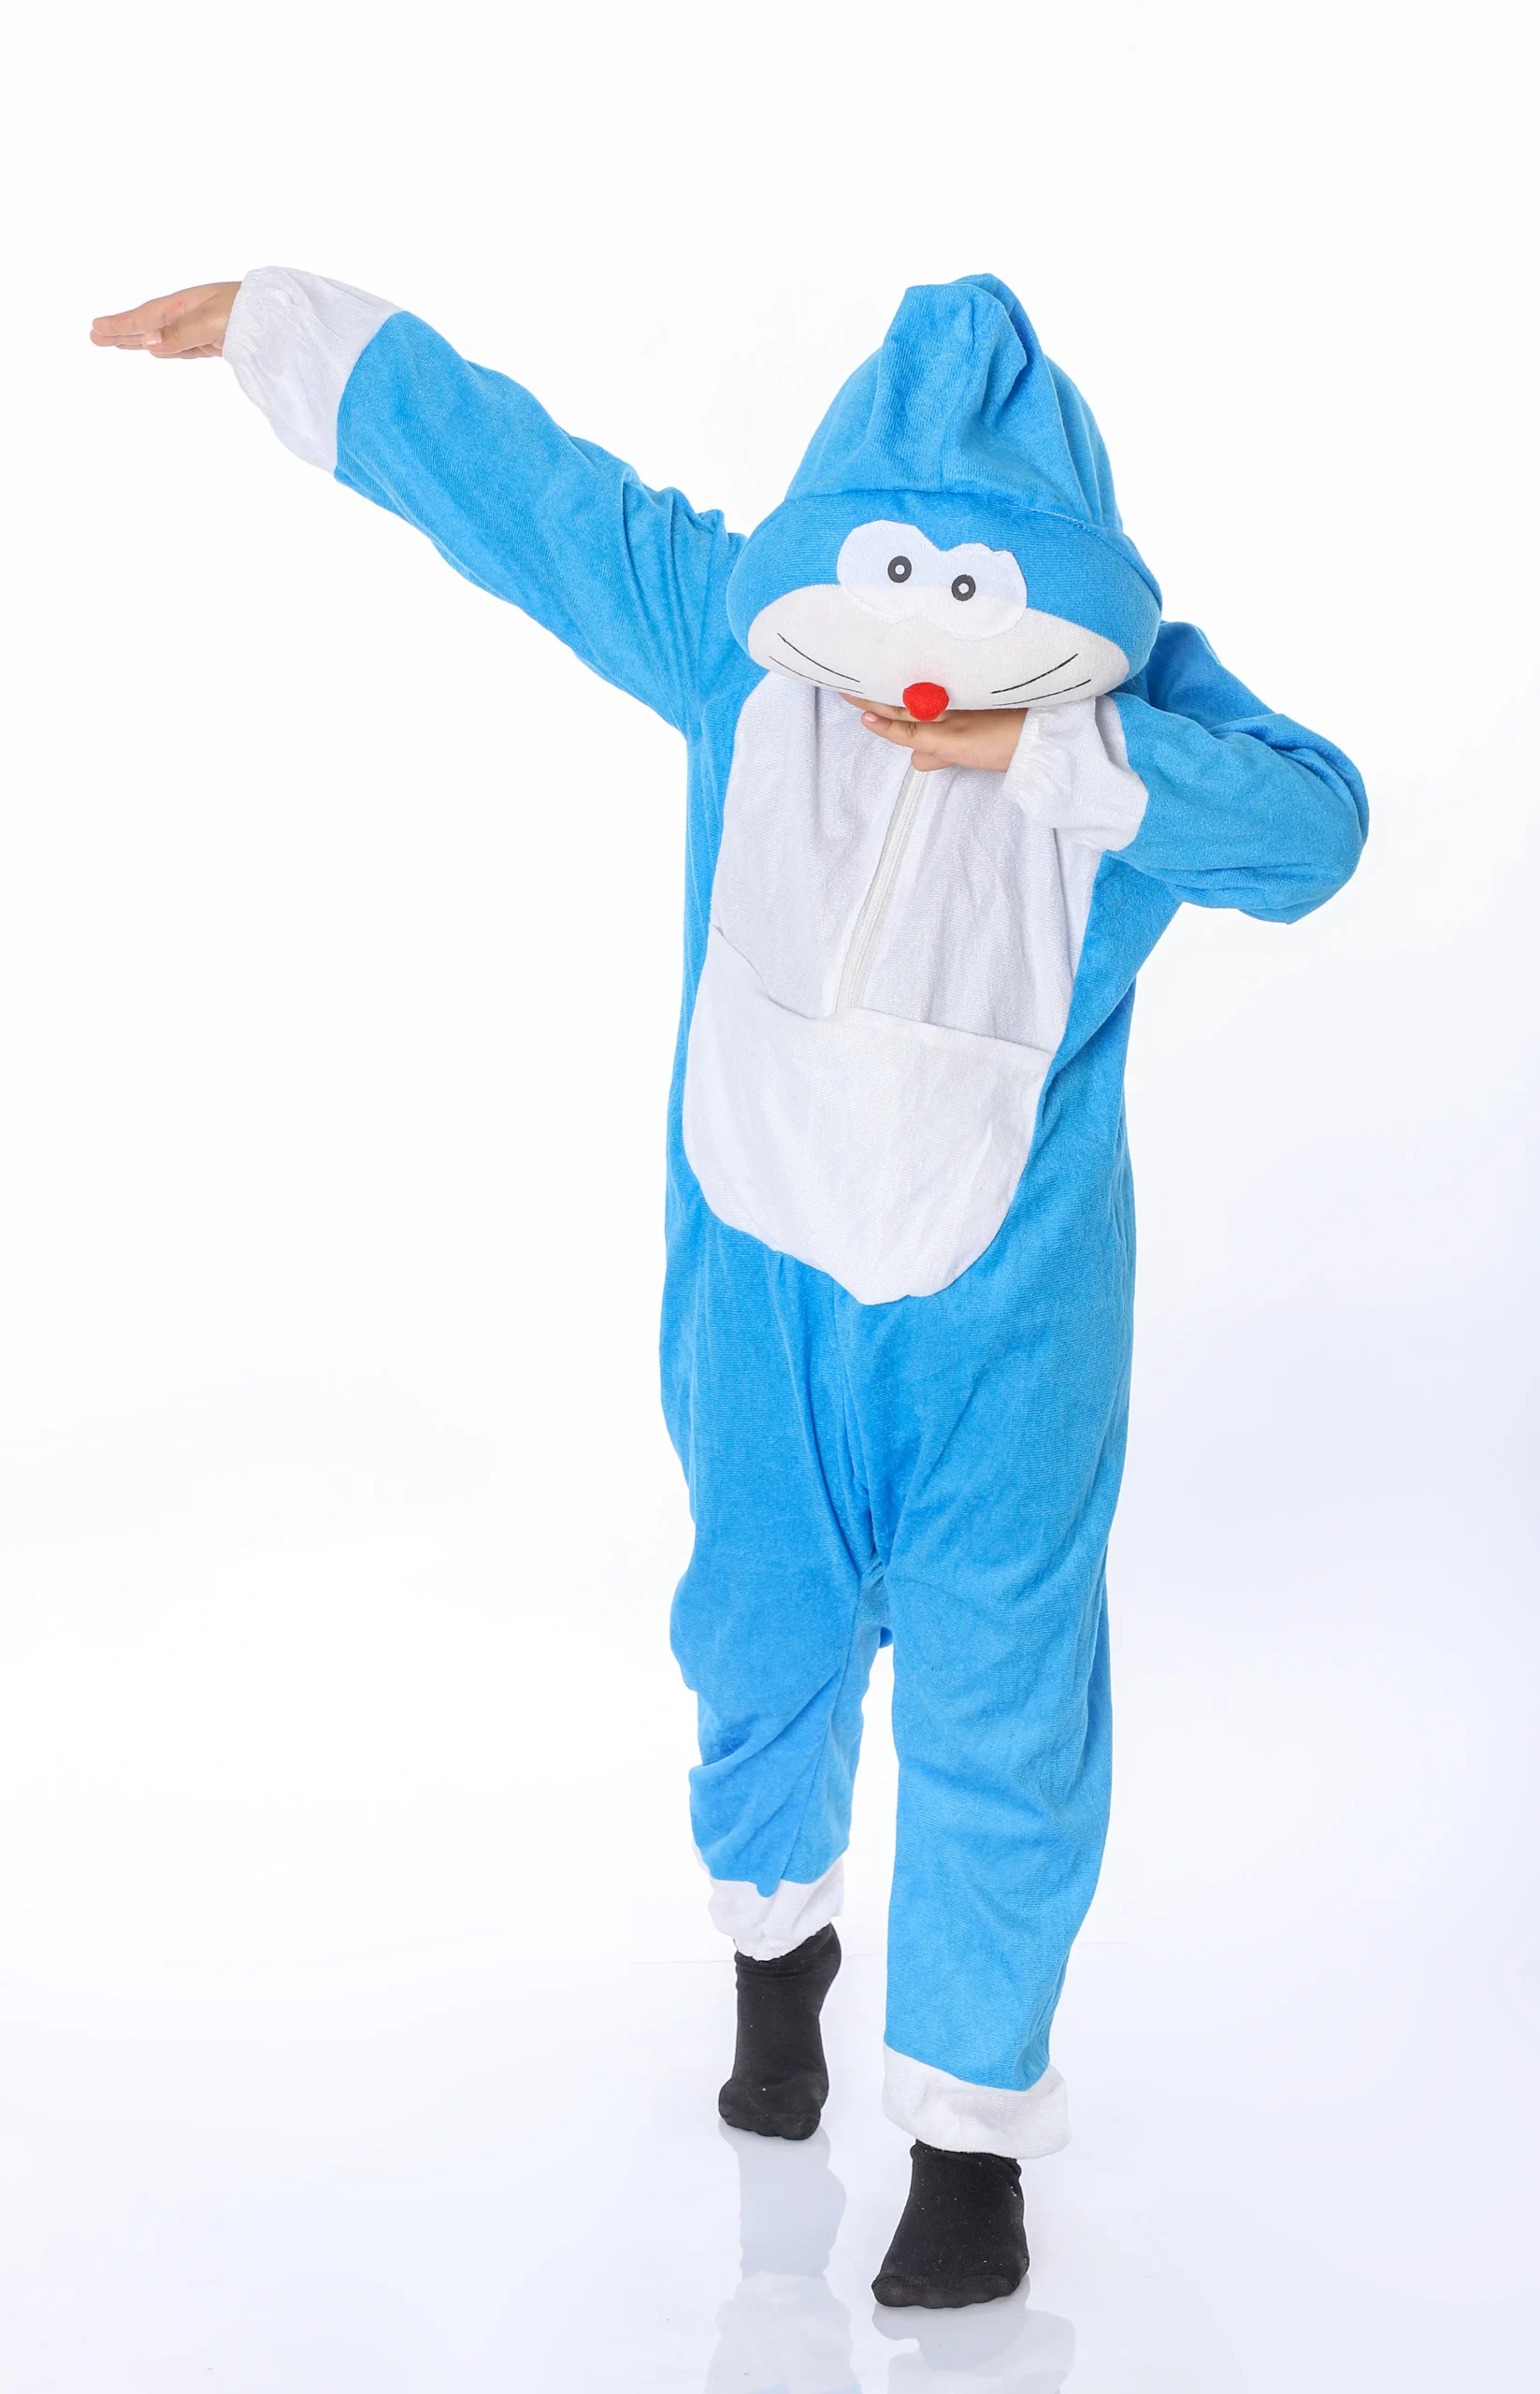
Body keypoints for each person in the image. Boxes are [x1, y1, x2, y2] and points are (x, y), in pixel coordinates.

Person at [92, 269, 1367, 2309]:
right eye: (888, 591)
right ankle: (780, 1963)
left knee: (1003, 1709)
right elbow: (538, 500)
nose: (913, 660)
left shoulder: (1116, 751)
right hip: (760, 1299)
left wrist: (1068, 757)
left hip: (1009, 1335)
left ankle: (967, 2143)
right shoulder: (736, 657)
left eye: (972, 606)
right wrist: (291, 328)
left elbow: (1314, 834)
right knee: (756, 1636)